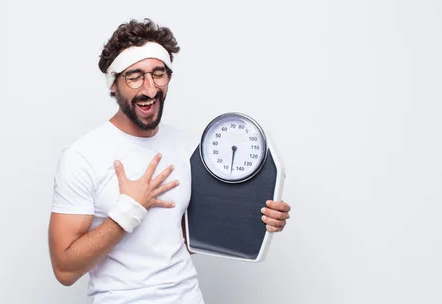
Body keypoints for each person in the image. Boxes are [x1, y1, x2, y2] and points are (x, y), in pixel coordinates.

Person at [48, 18, 291, 303]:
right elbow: (64, 270)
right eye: (134, 76)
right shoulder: (82, 156)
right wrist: (129, 210)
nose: (150, 88)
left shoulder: (189, 149)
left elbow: (188, 240)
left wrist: (258, 216)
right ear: (113, 84)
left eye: (158, 73)